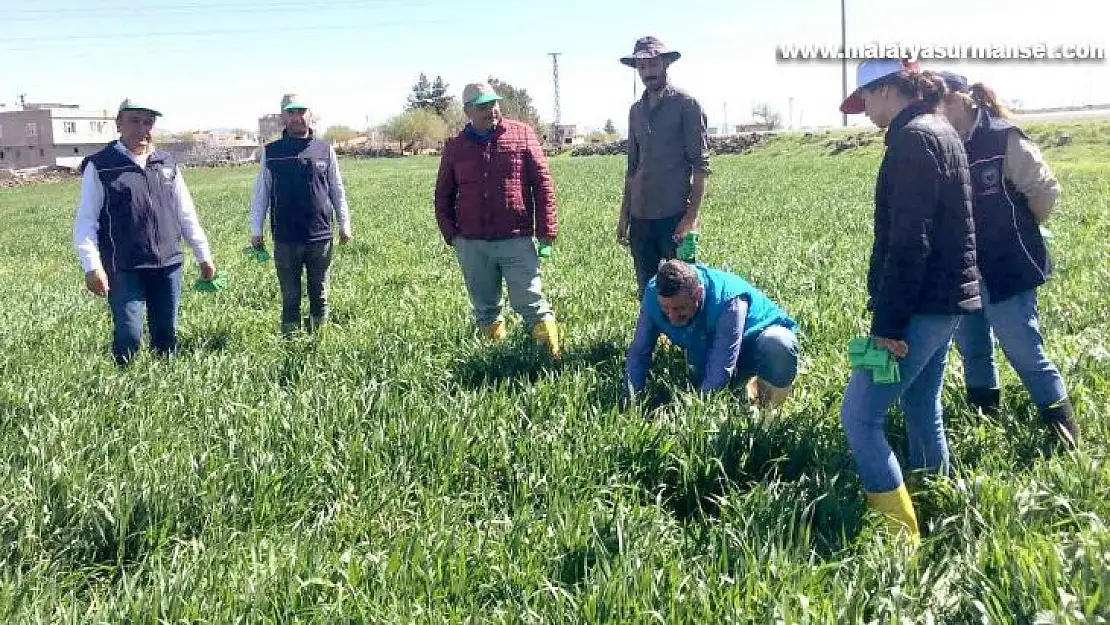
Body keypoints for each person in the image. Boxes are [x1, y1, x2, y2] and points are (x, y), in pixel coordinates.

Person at [837, 59, 982, 545]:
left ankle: (901, 539)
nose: (864, 115)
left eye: (865, 103)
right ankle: (939, 506)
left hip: (919, 305)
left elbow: (909, 242)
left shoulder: (913, 140)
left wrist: (889, 325)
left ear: (884, 92)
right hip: (946, 304)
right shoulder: (940, 129)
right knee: (923, 404)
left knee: (859, 416)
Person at [936, 72, 1079, 448]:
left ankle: (1063, 432)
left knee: (1022, 347)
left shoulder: (1003, 137)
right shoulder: (944, 143)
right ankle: (985, 417)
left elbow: (1044, 191)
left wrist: (1017, 229)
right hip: (965, 269)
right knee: (973, 347)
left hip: (1007, 265)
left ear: (959, 99)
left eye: (938, 102)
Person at [72, 98, 217, 366]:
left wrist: (203, 255)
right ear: (119, 124)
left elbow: (185, 213)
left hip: (168, 263)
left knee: (166, 334)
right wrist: (92, 267)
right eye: (135, 121)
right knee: (129, 335)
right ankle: (122, 390)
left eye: (148, 122)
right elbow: (86, 221)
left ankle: (167, 388)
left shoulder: (166, 162)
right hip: (124, 266)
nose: (143, 128)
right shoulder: (101, 165)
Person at [434, 82, 562, 358]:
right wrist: (452, 235)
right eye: (482, 106)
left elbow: (543, 186)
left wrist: (546, 232)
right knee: (485, 306)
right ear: (468, 111)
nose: (491, 110)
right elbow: (443, 193)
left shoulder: (522, 135)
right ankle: (496, 360)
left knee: (531, 300)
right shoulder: (456, 146)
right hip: (472, 242)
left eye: (493, 104)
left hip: (515, 237)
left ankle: (551, 357)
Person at [622, 260, 799, 408]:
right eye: (665, 309)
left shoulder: (728, 299)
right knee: (713, 384)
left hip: (753, 343)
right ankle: (743, 388)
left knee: (778, 343)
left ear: (698, 293)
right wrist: (631, 399)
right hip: (708, 348)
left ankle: (768, 408)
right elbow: (639, 352)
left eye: (679, 308)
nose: (673, 317)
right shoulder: (654, 294)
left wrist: (700, 412)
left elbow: (722, 364)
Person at [617, 36, 711, 299]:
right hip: (641, 216)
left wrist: (690, 219)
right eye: (642, 67)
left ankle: (689, 338)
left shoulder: (687, 105)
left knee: (686, 289)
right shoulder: (635, 111)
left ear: (666, 64)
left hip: (674, 215)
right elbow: (632, 168)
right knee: (647, 289)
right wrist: (625, 215)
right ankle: (651, 339)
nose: (648, 72)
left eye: (653, 65)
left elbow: (701, 166)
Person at [250, 93, 352, 336]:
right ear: (283, 117)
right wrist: (256, 229)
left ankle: (319, 340)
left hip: (320, 236)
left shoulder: (325, 150)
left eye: (301, 111)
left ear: (310, 114)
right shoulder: (271, 152)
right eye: (291, 112)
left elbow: (337, 188)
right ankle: (291, 342)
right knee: (290, 295)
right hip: (285, 237)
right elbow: (261, 191)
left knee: (320, 292)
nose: (297, 117)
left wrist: (345, 223)